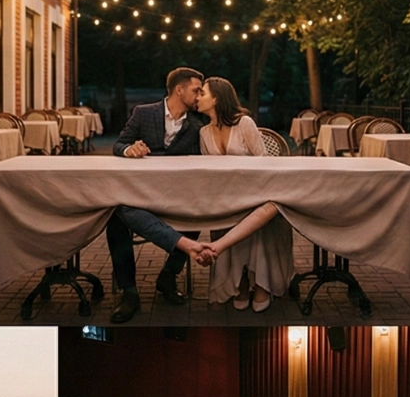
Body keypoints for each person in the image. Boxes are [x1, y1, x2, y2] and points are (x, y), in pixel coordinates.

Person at [104, 67, 219, 324]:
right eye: (196, 90)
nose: (199, 96)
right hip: (139, 196)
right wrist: (129, 150)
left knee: (197, 213)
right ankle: (129, 293)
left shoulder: (198, 125)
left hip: (175, 198)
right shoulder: (143, 113)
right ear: (179, 89)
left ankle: (168, 276)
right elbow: (118, 144)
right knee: (115, 214)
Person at [192, 77, 291, 312]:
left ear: (216, 99)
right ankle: (241, 283)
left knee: (256, 217)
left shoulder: (244, 123)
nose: (197, 97)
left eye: (202, 93)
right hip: (226, 197)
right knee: (224, 216)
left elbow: (263, 162)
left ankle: (261, 283)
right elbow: (209, 173)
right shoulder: (204, 132)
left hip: (256, 193)